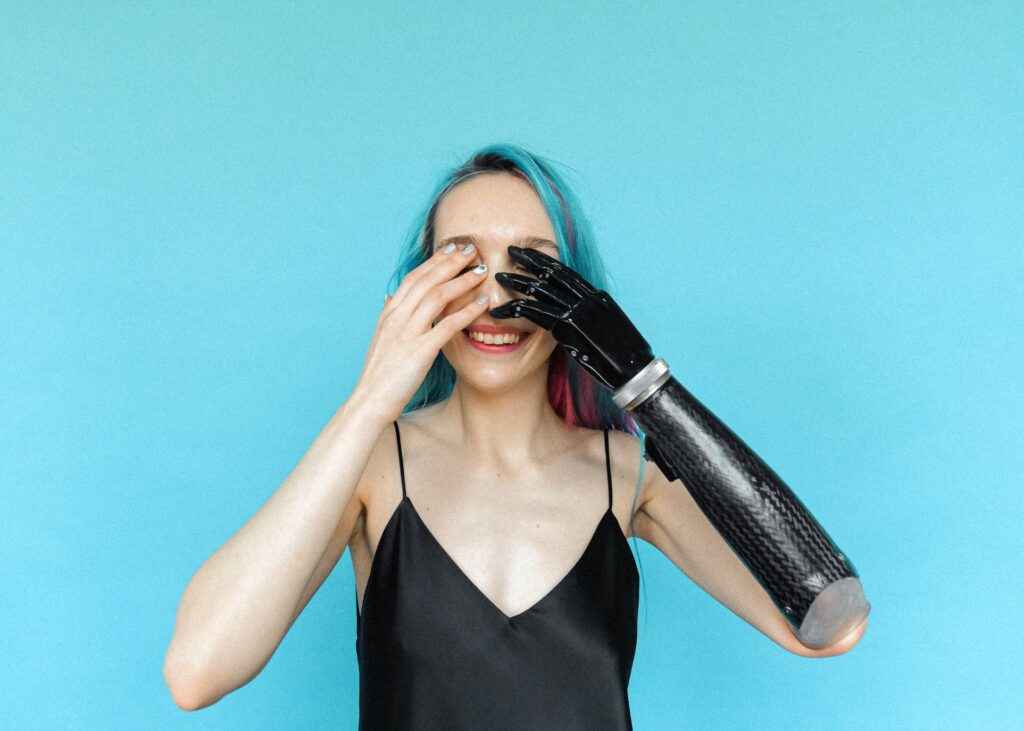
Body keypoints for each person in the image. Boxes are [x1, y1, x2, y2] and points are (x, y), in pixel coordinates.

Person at [163, 144, 869, 727]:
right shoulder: (374, 468)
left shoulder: (629, 477)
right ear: (420, 285)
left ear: (576, 296)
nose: (497, 298)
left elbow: (830, 618)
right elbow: (197, 671)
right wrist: (370, 400)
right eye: (462, 262)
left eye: (530, 265)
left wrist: (647, 385)